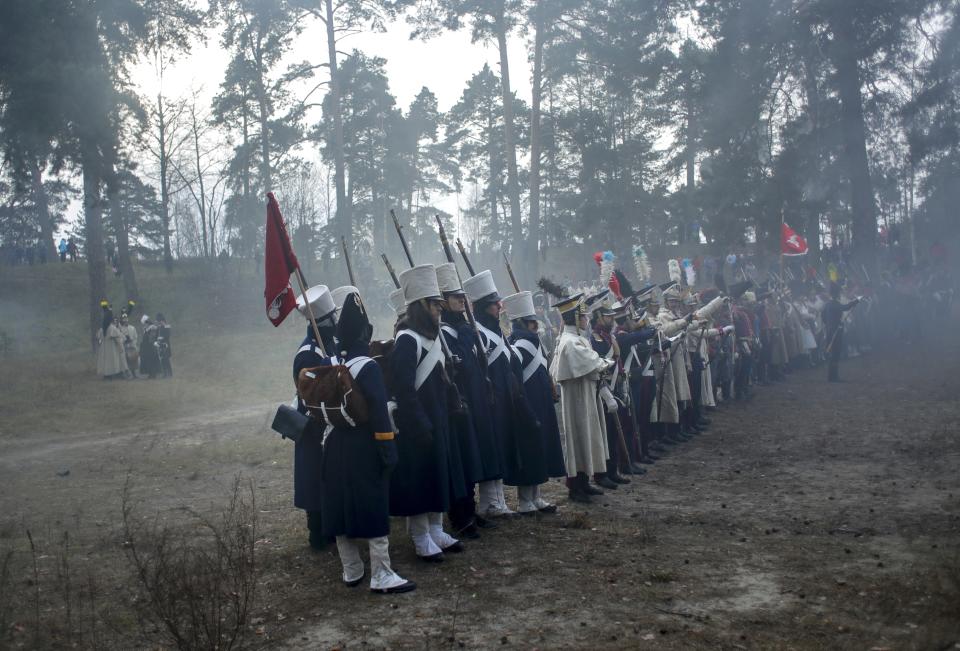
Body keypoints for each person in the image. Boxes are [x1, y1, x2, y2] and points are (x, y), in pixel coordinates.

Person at [319, 290, 415, 594]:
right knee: (373, 505)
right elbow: (379, 414)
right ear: (364, 332)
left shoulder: (331, 366)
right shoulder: (368, 367)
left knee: (341, 506)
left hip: (334, 446)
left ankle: (351, 569)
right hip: (363, 446)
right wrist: (388, 449)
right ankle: (382, 574)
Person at [390, 264, 462, 561]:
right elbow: (404, 389)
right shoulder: (406, 339)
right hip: (416, 422)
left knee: (437, 475)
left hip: (437, 417)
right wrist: (419, 423)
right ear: (421, 306)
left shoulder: (434, 338)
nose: (439, 310)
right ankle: (420, 537)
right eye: (435, 305)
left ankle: (435, 529)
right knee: (420, 480)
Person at [437, 263, 496, 539]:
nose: (462, 302)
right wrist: (464, 335)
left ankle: (471, 511)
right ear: (444, 302)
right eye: (455, 298)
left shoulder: (463, 327)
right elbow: (454, 365)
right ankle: (459, 517)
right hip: (457, 404)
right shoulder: (445, 332)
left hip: (474, 399)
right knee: (460, 462)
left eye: (462, 298)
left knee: (472, 458)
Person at [462, 270, 521, 517]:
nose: (499, 307)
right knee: (491, 448)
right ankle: (490, 502)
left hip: (503, 397)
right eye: (494, 304)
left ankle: (498, 500)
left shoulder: (495, 331)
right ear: (484, 307)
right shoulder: (477, 333)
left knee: (501, 447)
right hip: (490, 399)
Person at [549, 292, 614, 503]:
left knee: (588, 436)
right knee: (578, 438)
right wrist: (606, 363)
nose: (587, 320)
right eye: (584, 316)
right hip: (576, 397)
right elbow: (591, 362)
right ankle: (576, 487)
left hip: (584, 393)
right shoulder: (569, 341)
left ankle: (584, 482)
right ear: (577, 318)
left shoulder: (573, 338)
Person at [502, 290, 564, 514]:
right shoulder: (519, 346)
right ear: (521, 324)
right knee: (529, 452)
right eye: (530, 323)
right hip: (526, 404)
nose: (535, 327)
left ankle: (536, 496)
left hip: (541, 403)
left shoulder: (534, 343)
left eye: (534, 323)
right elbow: (514, 371)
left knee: (540, 450)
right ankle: (524, 501)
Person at [292, 285, 338, 551]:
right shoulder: (309, 352)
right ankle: (317, 534)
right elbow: (307, 392)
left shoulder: (327, 345)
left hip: (328, 421)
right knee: (314, 479)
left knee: (327, 478)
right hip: (314, 424)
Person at [822, 282, 861, 382]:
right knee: (835, 353)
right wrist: (856, 301)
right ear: (837, 294)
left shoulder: (827, 304)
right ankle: (833, 377)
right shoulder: (835, 304)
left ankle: (832, 376)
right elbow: (845, 308)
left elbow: (823, 317)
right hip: (836, 331)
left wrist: (829, 324)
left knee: (834, 353)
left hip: (830, 330)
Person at [96, 303, 129, 379]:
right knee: (113, 361)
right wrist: (121, 347)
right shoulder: (112, 328)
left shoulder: (102, 328)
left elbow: (98, 338)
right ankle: (114, 374)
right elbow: (117, 338)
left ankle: (106, 375)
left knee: (106, 361)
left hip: (104, 348)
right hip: (112, 348)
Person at [119, 311, 139, 377]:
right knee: (125, 360)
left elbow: (136, 336)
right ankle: (126, 374)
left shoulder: (132, 328)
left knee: (133, 360)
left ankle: (134, 374)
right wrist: (124, 341)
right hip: (124, 346)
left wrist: (133, 343)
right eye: (124, 320)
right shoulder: (120, 329)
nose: (125, 321)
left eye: (126, 320)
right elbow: (120, 337)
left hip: (132, 346)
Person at [155, 313, 173, 378]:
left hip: (166, 345)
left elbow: (167, 336)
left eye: (161, 321)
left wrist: (161, 338)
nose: (160, 323)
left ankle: (169, 373)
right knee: (162, 360)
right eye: (159, 322)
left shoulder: (167, 326)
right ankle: (165, 373)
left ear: (163, 320)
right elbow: (158, 335)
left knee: (166, 360)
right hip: (160, 345)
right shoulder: (160, 327)